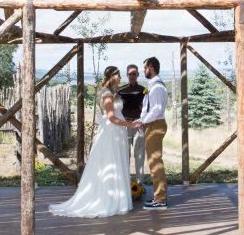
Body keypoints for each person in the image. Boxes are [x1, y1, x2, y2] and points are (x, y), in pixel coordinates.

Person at [49, 66, 142, 218]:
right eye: (118, 76)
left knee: (117, 164)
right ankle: (106, 201)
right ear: (111, 77)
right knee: (109, 163)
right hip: (110, 133)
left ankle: (117, 199)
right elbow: (111, 117)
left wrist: (129, 121)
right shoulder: (106, 93)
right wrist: (131, 125)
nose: (120, 78)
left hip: (117, 133)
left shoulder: (113, 92)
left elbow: (117, 113)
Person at [138, 57, 169, 209]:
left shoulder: (156, 87)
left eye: (145, 68)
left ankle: (161, 199)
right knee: (153, 162)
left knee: (155, 162)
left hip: (155, 125)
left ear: (151, 68)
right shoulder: (153, 86)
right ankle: (158, 197)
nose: (143, 71)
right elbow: (148, 109)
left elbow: (156, 110)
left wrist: (143, 122)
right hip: (152, 124)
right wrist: (141, 120)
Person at [117, 64, 148, 183]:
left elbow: (147, 108)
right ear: (127, 75)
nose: (132, 76)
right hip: (125, 125)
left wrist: (142, 121)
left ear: (138, 75)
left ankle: (140, 182)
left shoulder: (144, 90)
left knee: (139, 154)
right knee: (125, 154)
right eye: (130, 74)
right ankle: (125, 182)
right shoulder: (121, 90)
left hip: (139, 125)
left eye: (134, 73)